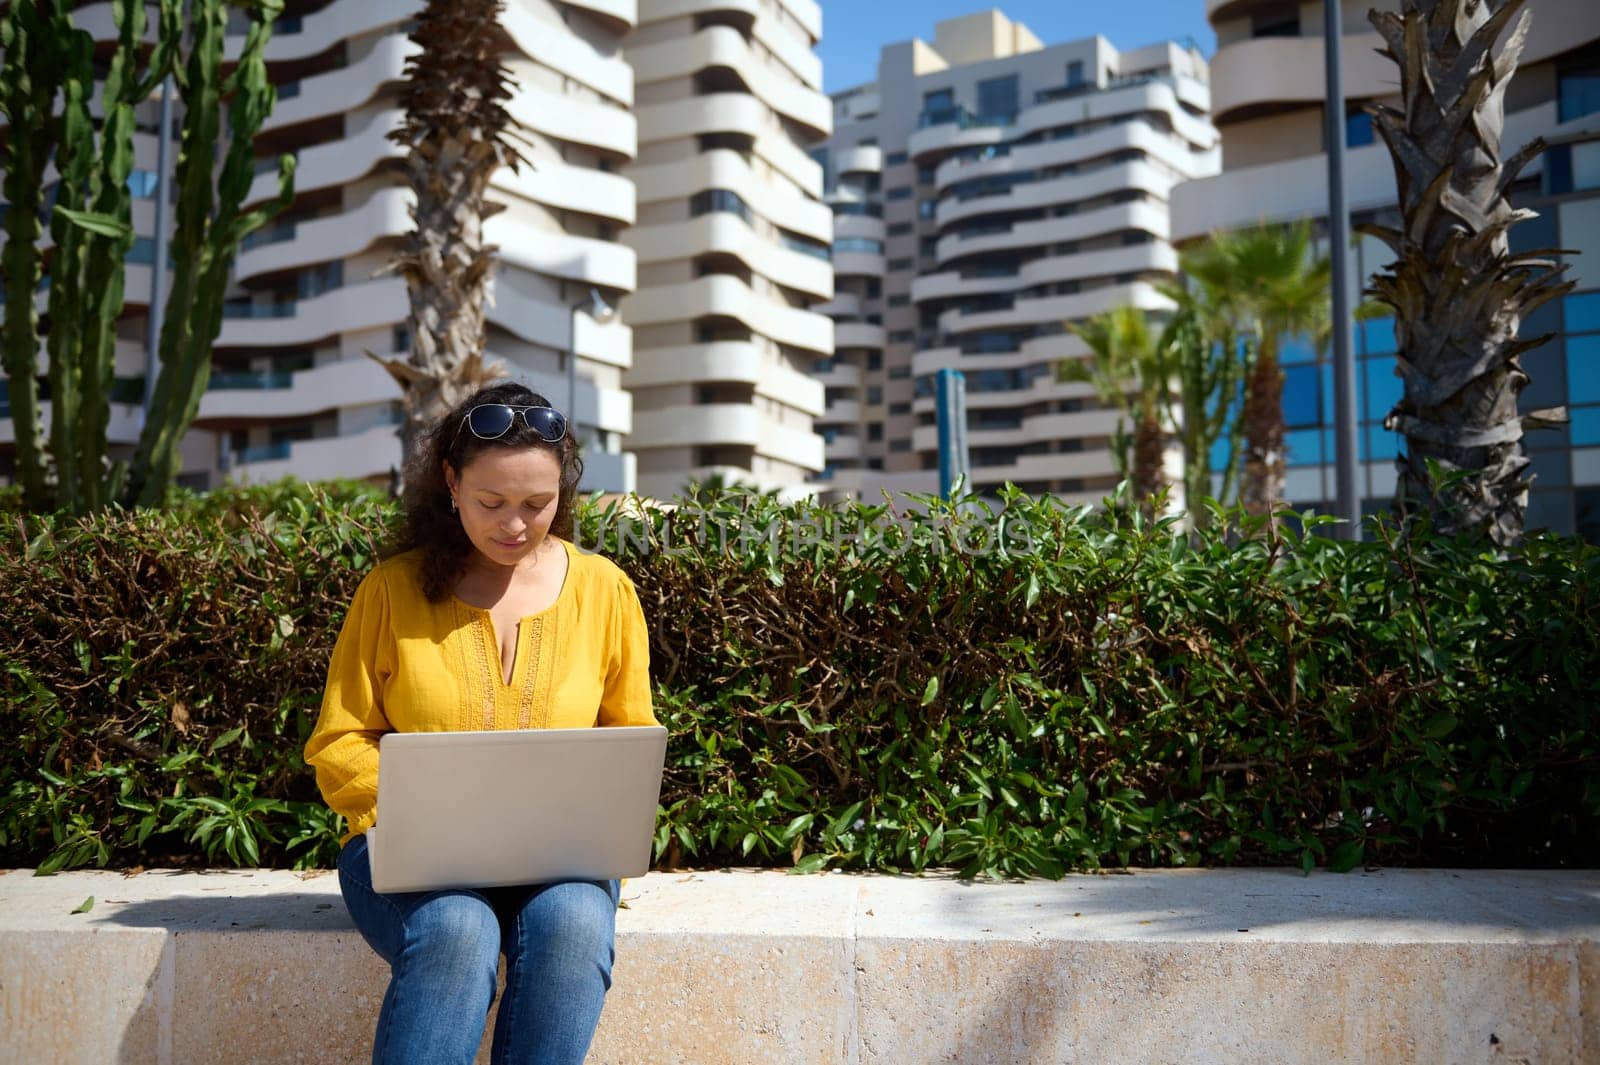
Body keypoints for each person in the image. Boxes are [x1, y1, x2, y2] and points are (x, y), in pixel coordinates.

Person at [305, 381, 658, 1065]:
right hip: (407, 857)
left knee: (577, 925)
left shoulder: (606, 590)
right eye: (492, 502)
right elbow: (339, 739)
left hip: (561, 861)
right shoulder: (389, 591)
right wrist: (410, 809)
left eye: (537, 503)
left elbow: (630, 737)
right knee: (458, 930)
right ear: (451, 483)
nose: (515, 524)